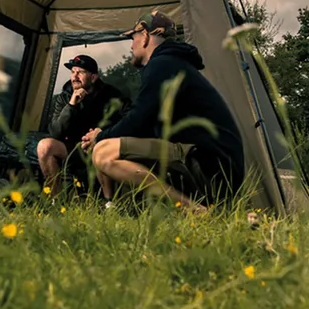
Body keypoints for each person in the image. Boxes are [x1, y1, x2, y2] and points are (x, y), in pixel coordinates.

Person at [81, 11, 245, 212]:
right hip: (216, 167)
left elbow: (139, 118)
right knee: (112, 146)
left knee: (103, 152)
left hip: (209, 167)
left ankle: (194, 211)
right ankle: (130, 209)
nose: (131, 46)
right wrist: (103, 134)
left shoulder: (162, 64)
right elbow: (145, 122)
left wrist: (100, 137)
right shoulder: (172, 64)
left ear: (145, 36)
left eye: (133, 38)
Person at [37, 54, 131, 196]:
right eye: (72, 72)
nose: (75, 77)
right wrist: (71, 105)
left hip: (100, 145)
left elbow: (128, 121)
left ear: (93, 77)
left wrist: (102, 132)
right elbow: (55, 132)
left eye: (80, 72)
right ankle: (56, 200)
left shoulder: (111, 95)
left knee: (99, 147)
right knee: (45, 146)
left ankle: (110, 202)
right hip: (74, 148)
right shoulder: (65, 97)